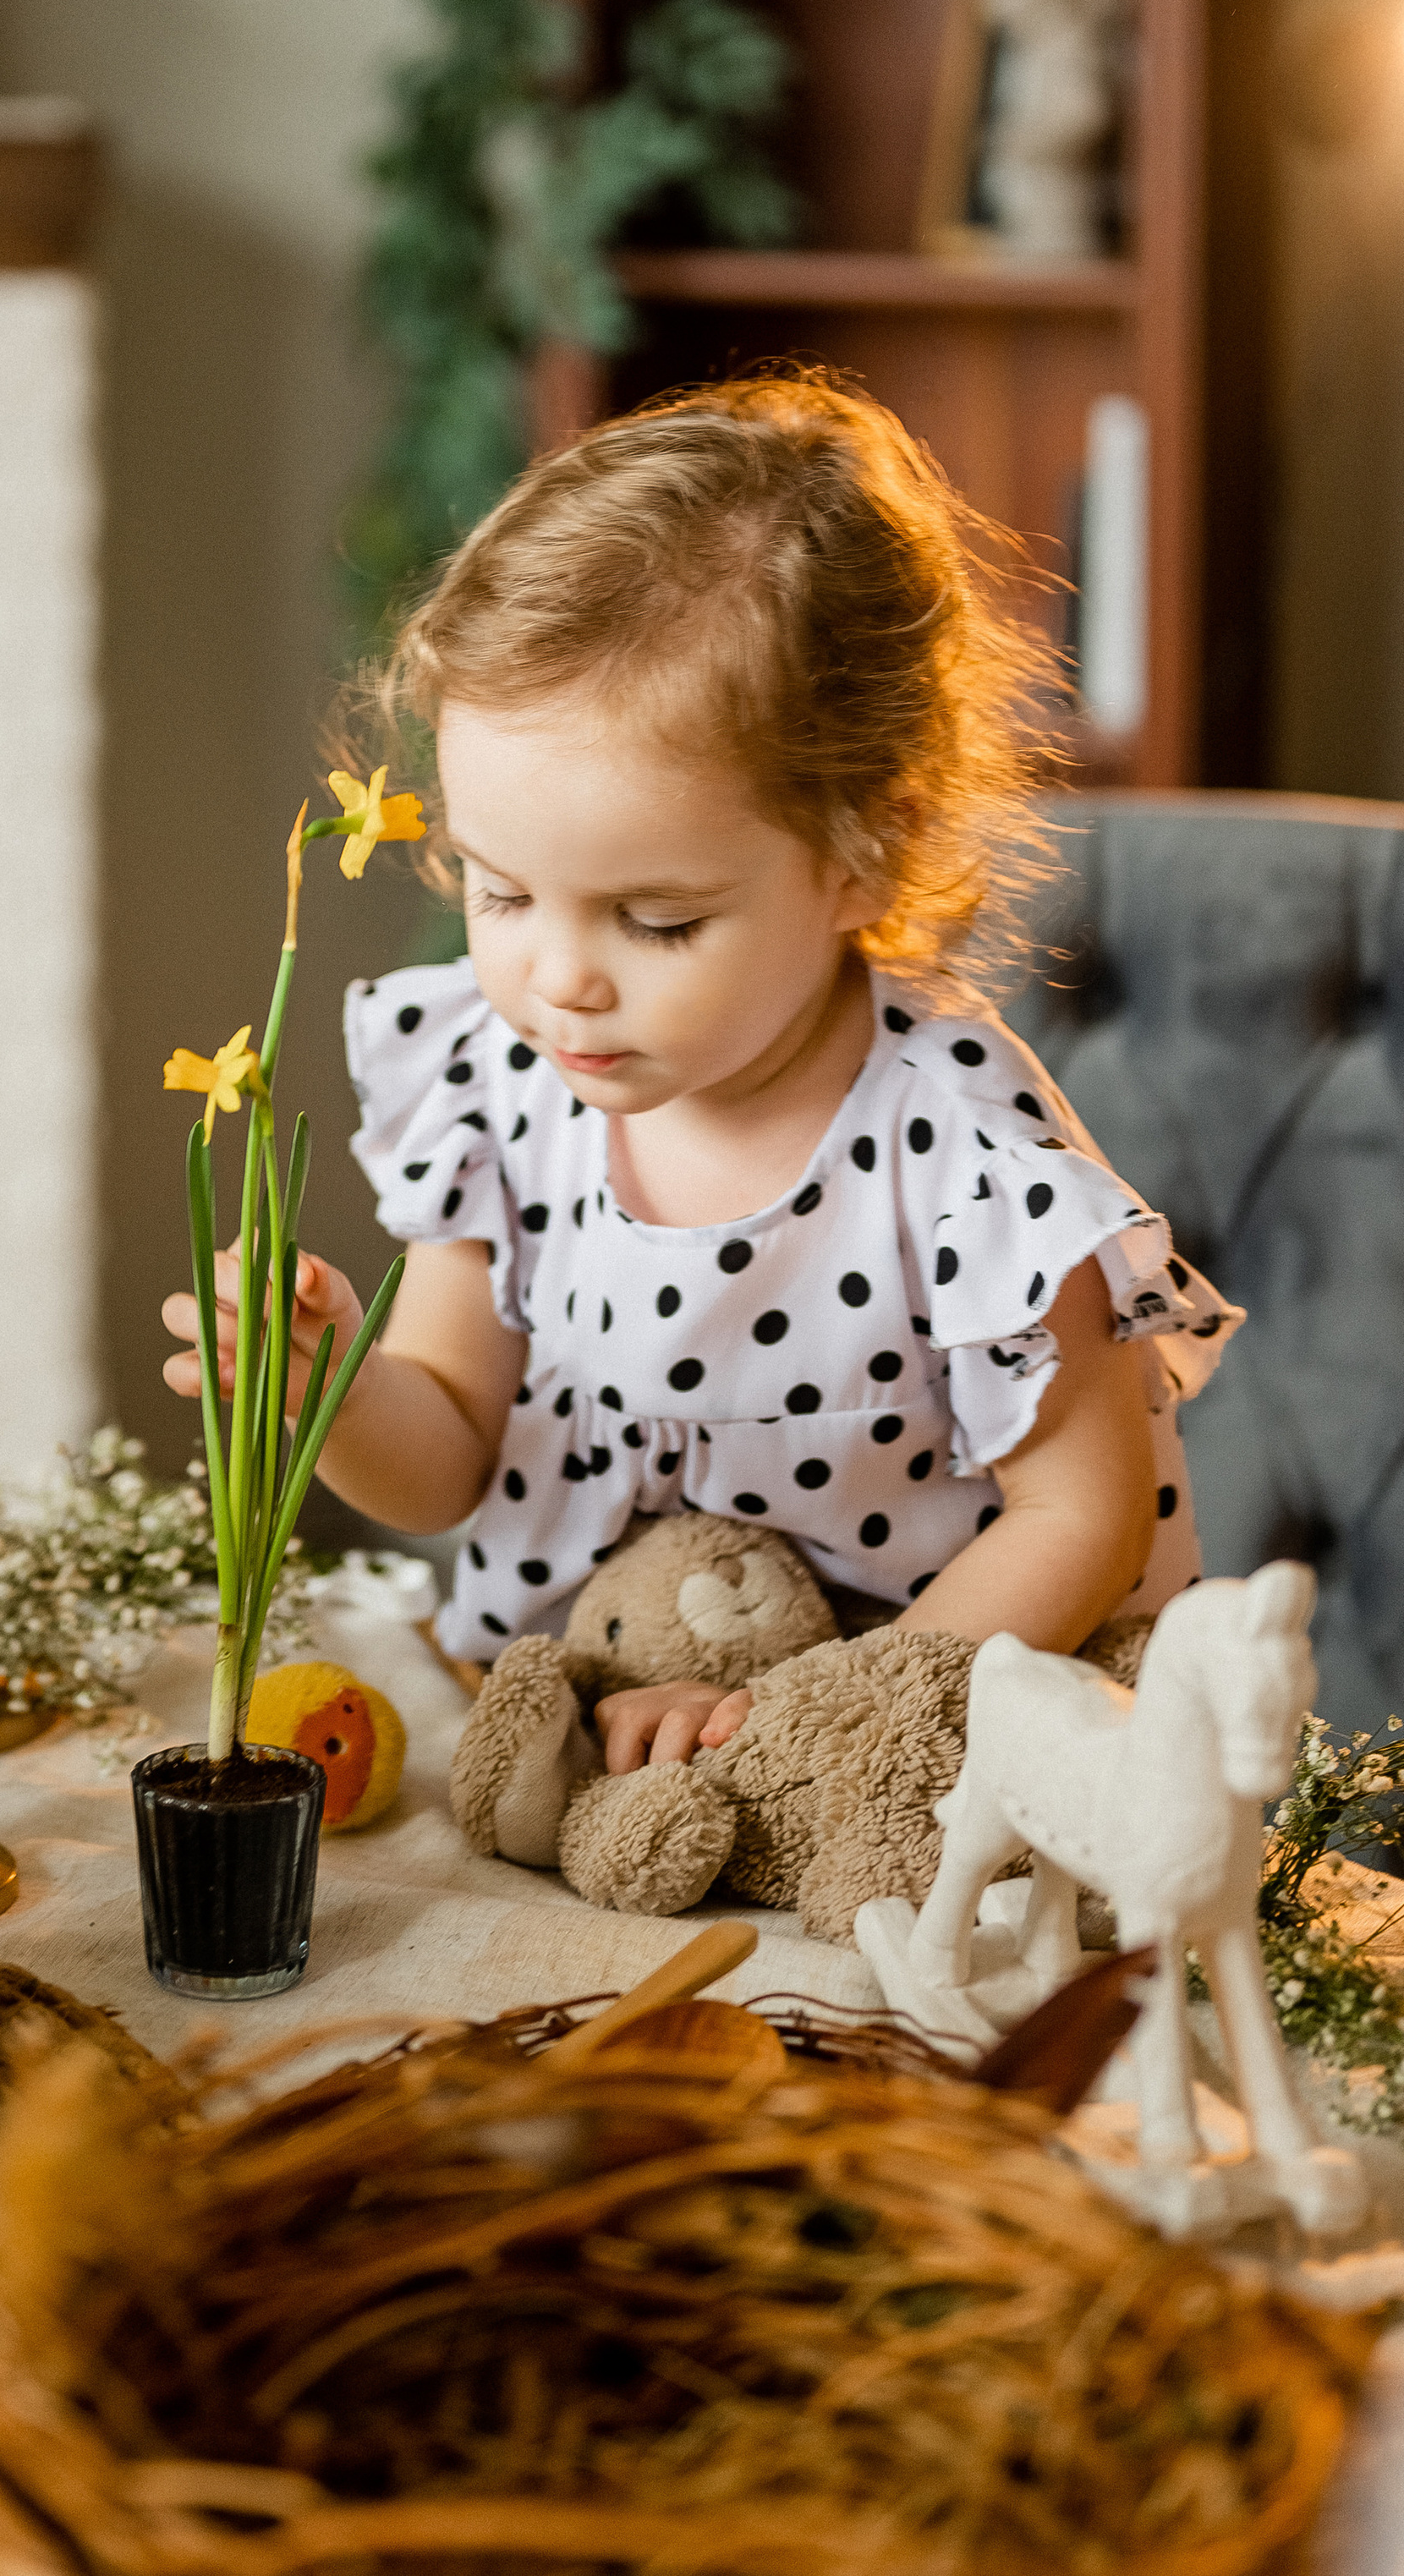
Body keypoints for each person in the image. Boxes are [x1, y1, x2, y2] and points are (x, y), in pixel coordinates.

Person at [164, 373, 1239, 1779]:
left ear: (866, 847)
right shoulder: (504, 1081)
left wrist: (806, 1724)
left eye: (656, 920)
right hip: (619, 1741)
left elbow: (1080, 1523)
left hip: (924, 1743)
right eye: (498, 893)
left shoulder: (958, 1147)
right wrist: (328, 1396)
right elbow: (447, 1456)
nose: (560, 979)